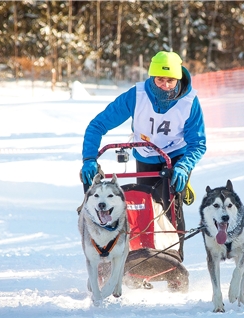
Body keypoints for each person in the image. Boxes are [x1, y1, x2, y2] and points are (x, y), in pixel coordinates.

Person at [80, 50, 207, 261]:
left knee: (170, 207)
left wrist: (185, 166)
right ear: (152, 77)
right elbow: (97, 125)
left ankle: (175, 259)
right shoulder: (137, 95)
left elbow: (198, 143)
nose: (165, 85)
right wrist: (89, 159)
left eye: (170, 81)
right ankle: (141, 257)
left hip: (176, 157)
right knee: (143, 204)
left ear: (178, 79)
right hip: (146, 155)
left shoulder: (189, 101)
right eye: (160, 80)